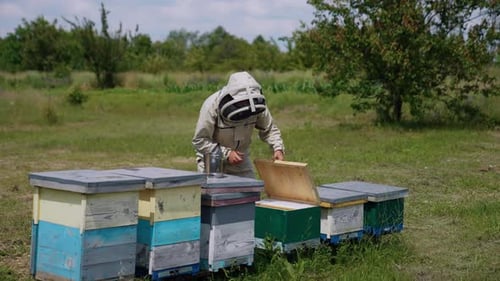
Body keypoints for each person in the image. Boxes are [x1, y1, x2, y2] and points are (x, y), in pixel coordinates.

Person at [192, 71, 285, 178]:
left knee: (250, 191)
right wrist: (226, 153)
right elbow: (200, 140)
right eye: (242, 104)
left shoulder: (256, 105)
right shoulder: (211, 106)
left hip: (240, 158)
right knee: (213, 193)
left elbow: (269, 129)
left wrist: (278, 148)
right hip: (212, 158)